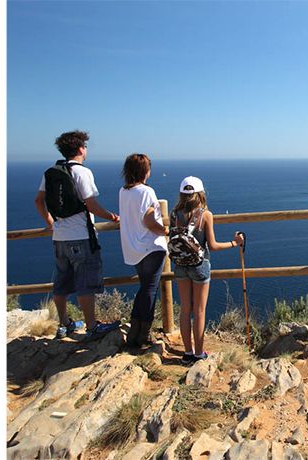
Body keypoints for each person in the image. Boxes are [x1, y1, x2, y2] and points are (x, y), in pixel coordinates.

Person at [33, 130, 121, 341]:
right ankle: (92, 327)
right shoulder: (82, 172)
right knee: (85, 282)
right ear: (81, 149)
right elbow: (91, 205)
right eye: (86, 146)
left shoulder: (50, 172)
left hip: (59, 238)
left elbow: (38, 201)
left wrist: (50, 223)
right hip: (81, 237)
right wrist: (112, 216)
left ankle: (64, 324)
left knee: (61, 282)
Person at [170, 176, 244, 364]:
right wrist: (234, 243)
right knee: (200, 310)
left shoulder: (174, 214)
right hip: (200, 266)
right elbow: (212, 245)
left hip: (179, 265)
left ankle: (187, 353)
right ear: (201, 193)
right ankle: (199, 353)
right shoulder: (205, 215)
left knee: (185, 310)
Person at [118, 153, 168, 348]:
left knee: (144, 287)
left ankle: (134, 333)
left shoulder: (123, 191)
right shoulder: (147, 192)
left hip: (133, 248)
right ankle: (143, 335)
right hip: (151, 247)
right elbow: (149, 221)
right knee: (149, 289)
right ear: (145, 171)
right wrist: (164, 230)